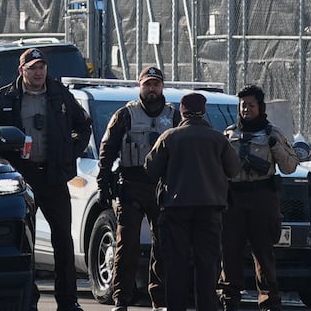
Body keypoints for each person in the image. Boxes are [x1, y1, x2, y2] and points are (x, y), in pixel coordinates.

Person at [0, 47, 91, 311]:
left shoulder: (60, 95)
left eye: (41, 67)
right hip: (23, 180)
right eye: (32, 68)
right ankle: (27, 301)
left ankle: (67, 301)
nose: (38, 72)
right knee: (25, 242)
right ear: (21, 70)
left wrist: (70, 153)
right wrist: (7, 159)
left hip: (54, 177)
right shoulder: (5, 97)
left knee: (63, 242)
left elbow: (83, 126)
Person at [144, 93, 241, 311]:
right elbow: (234, 170)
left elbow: (150, 169)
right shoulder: (218, 139)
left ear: (182, 112)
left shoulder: (169, 137)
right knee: (207, 264)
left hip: (175, 209)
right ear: (204, 111)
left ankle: (175, 307)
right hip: (210, 209)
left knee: (176, 264)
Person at [97, 65, 181, 311]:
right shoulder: (125, 115)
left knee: (164, 244)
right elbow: (107, 152)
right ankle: (121, 299)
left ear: (162, 86)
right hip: (132, 185)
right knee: (127, 245)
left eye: (156, 84)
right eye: (147, 84)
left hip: (163, 187)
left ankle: (160, 300)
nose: (152, 89)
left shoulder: (174, 117)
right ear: (139, 86)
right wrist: (103, 184)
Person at [218, 84, 299, 311]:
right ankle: (229, 301)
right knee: (230, 252)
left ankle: (269, 302)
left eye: (251, 105)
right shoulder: (229, 134)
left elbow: (290, 166)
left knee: (264, 254)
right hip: (234, 200)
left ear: (260, 107)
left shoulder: (272, 134)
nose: (246, 110)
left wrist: (274, 147)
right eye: (243, 105)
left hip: (262, 199)